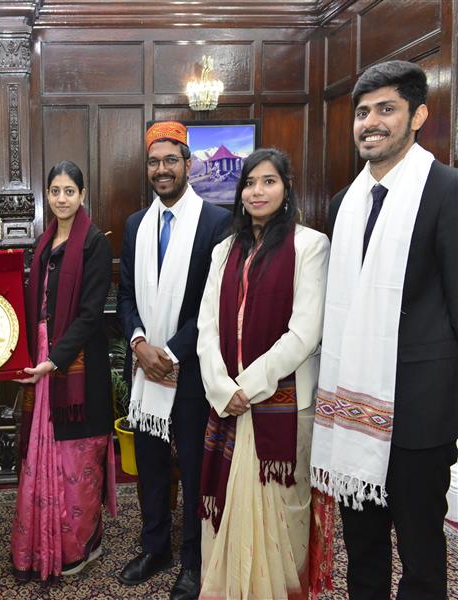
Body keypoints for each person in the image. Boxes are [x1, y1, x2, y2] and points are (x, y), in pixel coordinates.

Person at [310, 60, 458, 599]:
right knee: (363, 547)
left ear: (417, 116)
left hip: (420, 411)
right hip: (352, 406)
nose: (370, 122)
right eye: (363, 112)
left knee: (420, 554)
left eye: (386, 109)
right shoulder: (343, 203)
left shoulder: (446, 190)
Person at [195, 148, 329, 599]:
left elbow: (304, 333)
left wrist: (247, 387)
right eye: (250, 183)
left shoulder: (310, 246)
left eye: (269, 181)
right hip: (227, 401)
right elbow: (207, 327)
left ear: (286, 189)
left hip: (281, 405)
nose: (257, 191)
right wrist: (220, 387)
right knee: (227, 510)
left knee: (283, 515)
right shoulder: (223, 251)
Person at [117, 121, 230, 600]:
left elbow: (214, 303)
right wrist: (140, 345)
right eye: (154, 162)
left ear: (188, 164)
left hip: (191, 372)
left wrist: (172, 352)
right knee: (151, 467)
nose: (161, 169)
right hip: (145, 371)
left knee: (195, 469)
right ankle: (155, 548)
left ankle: (194, 560)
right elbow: (125, 295)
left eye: (170, 160)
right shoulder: (136, 225)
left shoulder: (216, 221)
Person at [10, 160, 117, 582]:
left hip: (78, 368)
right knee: (40, 458)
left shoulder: (94, 244)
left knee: (77, 462)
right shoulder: (43, 244)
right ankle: (39, 547)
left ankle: (76, 547)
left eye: (69, 191)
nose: (61, 198)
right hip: (42, 362)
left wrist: (55, 359)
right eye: (55, 191)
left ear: (82, 195)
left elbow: (90, 315)